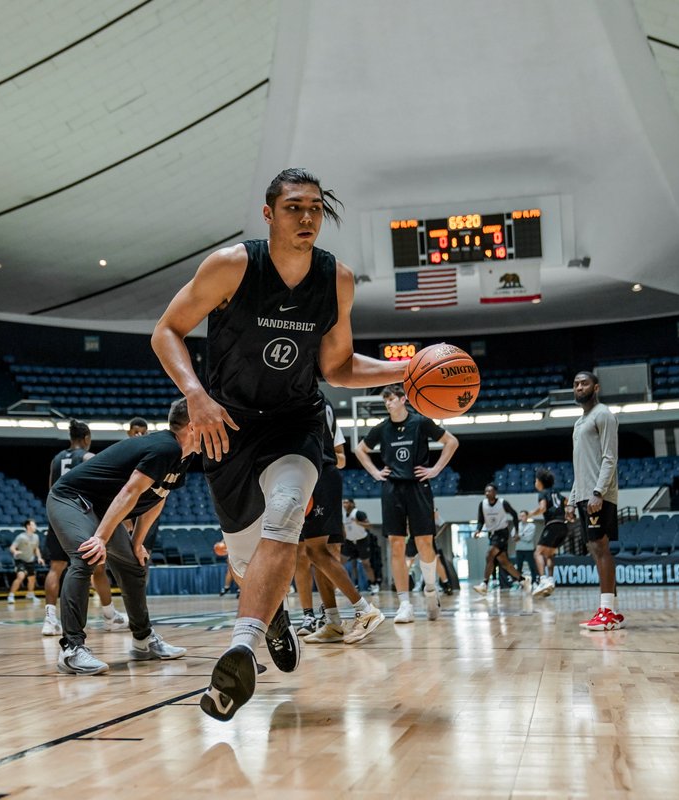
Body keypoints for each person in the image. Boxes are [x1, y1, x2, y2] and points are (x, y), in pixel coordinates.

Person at [152, 168, 409, 721]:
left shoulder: (336, 279)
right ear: (269, 214)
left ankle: (240, 649)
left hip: (296, 421)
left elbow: (336, 366)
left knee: (288, 512)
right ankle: (271, 617)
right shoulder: (231, 267)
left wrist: (407, 369)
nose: (307, 217)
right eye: (294, 207)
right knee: (246, 561)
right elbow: (165, 331)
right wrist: (195, 395)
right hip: (228, 424)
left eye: (315, 208)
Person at [46, 398, 194, 674]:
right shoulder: (165, 447)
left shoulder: (184, 455)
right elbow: (129, 492)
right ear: (194, 425)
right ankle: (72, 649)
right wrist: (101, 538)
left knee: (135, 564)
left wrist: (137, 542)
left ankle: (142, 640)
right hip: (71, 499)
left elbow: (158, 497)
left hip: (100, 509)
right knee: (87, 555)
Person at [355, 384, 460, 623]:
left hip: (418, 486)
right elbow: (360, 450)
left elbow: (451, 442)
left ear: (403, 399)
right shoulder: (381, 428)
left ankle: (431, 590)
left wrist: (435, 469)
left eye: (391, 399)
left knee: (424, 543)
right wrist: (375, 472)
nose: (388, 404)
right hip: (392, 489)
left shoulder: (421, 422)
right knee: (396, 544)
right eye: (386, 402)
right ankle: (405, 604)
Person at [295, 398, 385, 644]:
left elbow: (337, 455)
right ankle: (333, 622)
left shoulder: (297, 399)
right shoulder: (322, 402)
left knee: (315, 551)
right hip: (316, 477)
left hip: (318, 476)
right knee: (317, 555)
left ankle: (365, 610)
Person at [41, 420, 128, 636]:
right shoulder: (88, 457)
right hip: (80, 515)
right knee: (97, 567)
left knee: (56, 568)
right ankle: (109, 616)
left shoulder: (57, 459)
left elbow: (52, 489)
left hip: (57, 514)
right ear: (87, 438)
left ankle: (50, 620)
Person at [567, 371, 623, 630]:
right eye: (576, 384)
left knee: (601, 548)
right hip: (584, 495)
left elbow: (610, 457)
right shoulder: (579, 423)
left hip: (599, 495)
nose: (579, 387)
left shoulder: (604, 415)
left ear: (596, 387)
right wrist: (572, 499)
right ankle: (612, 610)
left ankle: (607, 612)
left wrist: (599, 492)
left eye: (584, 383)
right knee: (595, 548)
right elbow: (580, 466)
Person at [471, 484, 529, 595]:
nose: (487, 493)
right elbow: (480, 520)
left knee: (489, 554)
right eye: (486, 491)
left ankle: (485, 584)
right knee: (505, 563)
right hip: (492, 535)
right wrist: (478, 530)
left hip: (502, 533)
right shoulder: (482, 504)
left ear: (495, 492)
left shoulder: (502, 503)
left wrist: (516, 532)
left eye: (490, 491)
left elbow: (514, 514)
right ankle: (522, 580)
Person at [531, 467, 567, 597]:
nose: (535, 483)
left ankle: (543, 580)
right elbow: (567, 503)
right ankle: (550, 580)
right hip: (563, 526)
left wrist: (531, 514)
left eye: (536, 480)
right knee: (550, 554)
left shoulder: (543, 493)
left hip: (552, 525)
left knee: (538, 553)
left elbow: (542, 508)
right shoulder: (558, 493)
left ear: (540, 482)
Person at [341, 497, 378, 593]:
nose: (344, 504)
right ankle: (355, 585)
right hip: (349, 542)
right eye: (343, 503)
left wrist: (358, 522)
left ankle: (374, 584)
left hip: (362, 541)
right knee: (346, 563)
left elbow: (369, 526)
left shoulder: (359, 513)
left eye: (346, 502)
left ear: (352, 504)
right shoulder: (344, 516)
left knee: (366, 564)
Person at [6, 519, 43, 605]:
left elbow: (36, 548)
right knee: (21, 576)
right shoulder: (21, 537)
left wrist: (39, 557)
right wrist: (15, 552)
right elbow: (12, 547)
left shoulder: (36, 537)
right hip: (21, 560)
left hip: (30, 560)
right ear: (28, 526)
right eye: (33, 525)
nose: (35, 527)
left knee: (32, 579)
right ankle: (11, 596)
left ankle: (30, 594)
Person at [512, 511, 539, 584]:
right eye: (520, 516)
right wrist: (523, 535)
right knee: (519, 567)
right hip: (519, 549)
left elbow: (529, 538)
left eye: (523, 516)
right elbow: (513, 536)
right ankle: (518, 581)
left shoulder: (532, 526)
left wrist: (519, 536)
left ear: (527, 516)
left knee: (532, 566)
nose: (522, 517)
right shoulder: (516, 525)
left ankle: (534, 581)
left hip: (529, 549)